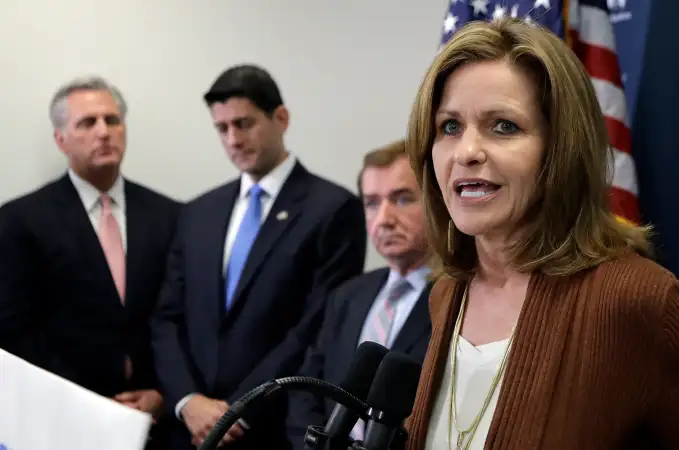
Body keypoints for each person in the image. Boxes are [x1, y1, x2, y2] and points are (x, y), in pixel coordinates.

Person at [400, 19, 679, 450]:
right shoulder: (446, 294)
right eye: (450, 127)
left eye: (503, 126)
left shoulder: (643, 304)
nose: (467, 151)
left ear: (561, 149)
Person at [151, 64, 368, 450]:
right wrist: (188, 402)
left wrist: (239, 409)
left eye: (244, 123)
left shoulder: (333, 210)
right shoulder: (198, 212)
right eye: (222, 128)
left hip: (273, 429)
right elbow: (167, 318)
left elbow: (315, 328)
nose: (233, 139)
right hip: (189, 431)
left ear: (280, 118)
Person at [0, 76, 181, 447]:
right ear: (60, 139)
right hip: (64, 423)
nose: (104, 132)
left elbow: (185, 317)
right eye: (88, 123)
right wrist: (85, 402)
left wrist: (166, 393)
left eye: (112, 121)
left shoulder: (171, 215)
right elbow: (14, 330)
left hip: (157, 424)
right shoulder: (20, 220)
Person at [285, 140, 432, 448]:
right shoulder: (348, 295)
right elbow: (309, 389)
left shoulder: (460, 299)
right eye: (372, 203)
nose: (384, 219)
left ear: (438, 202)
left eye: (403, 199)